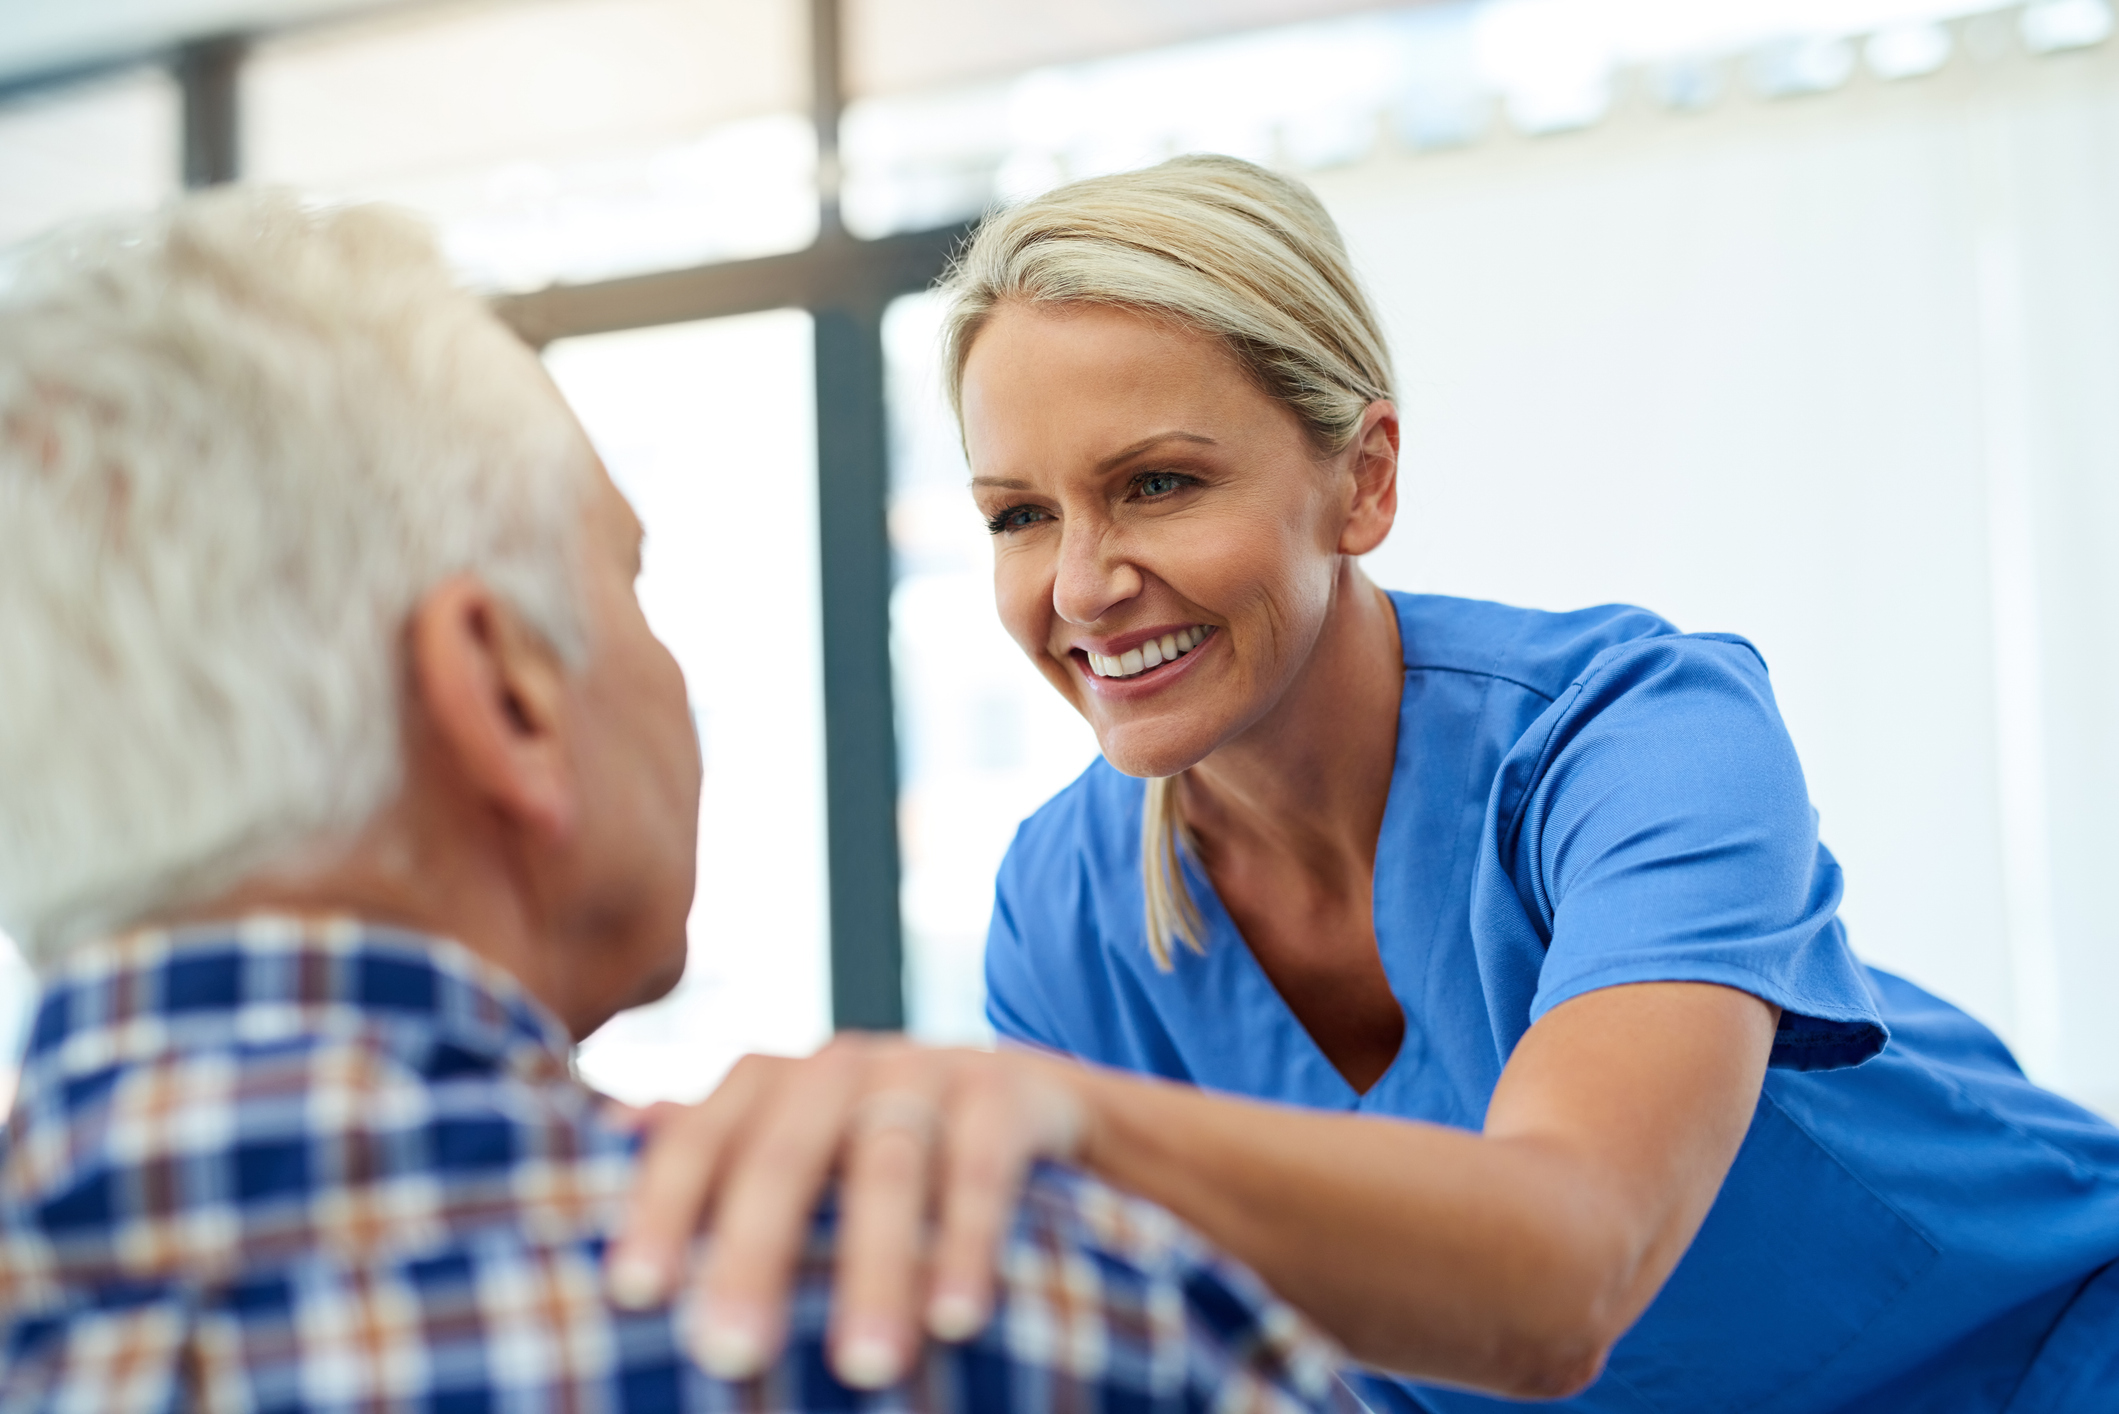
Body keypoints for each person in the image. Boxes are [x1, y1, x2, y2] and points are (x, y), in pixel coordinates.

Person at [607, 155, 2119, 1412]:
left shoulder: (1637, 732)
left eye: (1157, 483)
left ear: (1365, 478)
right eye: (1018, 513)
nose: (1081, 583)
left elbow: (1564, 1274)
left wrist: (1040, 1112)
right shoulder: (1066, 916)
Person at [0, 186, 1360, 1414]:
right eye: (627, 577)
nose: (1079, 583)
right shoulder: (1018, 1323)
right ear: (509, 693)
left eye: (1158, 483)